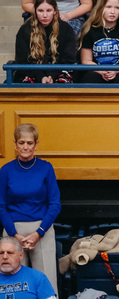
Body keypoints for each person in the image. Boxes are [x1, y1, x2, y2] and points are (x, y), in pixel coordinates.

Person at [0, 124, 61, 295]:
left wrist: (39, 233)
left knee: (46, 280)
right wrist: (14, 234)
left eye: (29, 143)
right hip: (13, 231)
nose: (25, 147)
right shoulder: (5, 170)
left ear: (36, 144)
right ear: (15, 144)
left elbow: (55, 204)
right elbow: (1, 205)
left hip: (41, 229)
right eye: (21, 143)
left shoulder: (46, 168)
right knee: (13, 281)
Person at [78, 0, 119, 82]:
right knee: (90, 79)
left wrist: (115, 71)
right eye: (108, 7)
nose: (112, 12)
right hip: (96, 71)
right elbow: (86, 60)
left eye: (117, 8)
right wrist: (102, 71)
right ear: (101, 8)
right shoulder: (89, 29)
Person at [13, 0, 76, 83]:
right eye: (40, 11)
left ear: (55, 11)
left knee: (63, 83)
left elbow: (68, 59)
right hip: (31, 72)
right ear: (35, 11)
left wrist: (51, 76)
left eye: (49, 10)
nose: (45, 15)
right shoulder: (25, 30)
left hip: (59, 72)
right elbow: (22, 60)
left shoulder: (65, 29)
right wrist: (41, 77)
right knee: (26, 84)